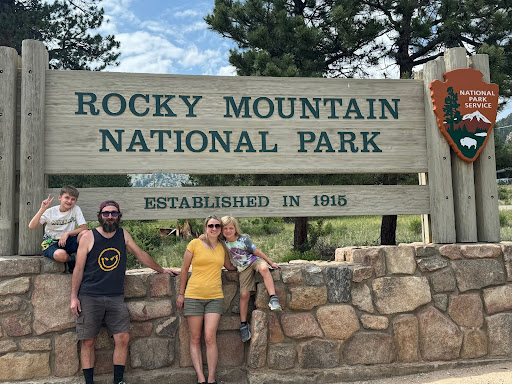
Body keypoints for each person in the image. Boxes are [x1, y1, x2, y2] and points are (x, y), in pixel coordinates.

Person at [70, 200, 178, 384]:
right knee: (88, 341)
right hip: (89, 295)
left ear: (119, 215)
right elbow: (78, 269)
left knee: (122, 337)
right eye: (106, 213)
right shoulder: (89, 236)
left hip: (115, 296)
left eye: (113, 213)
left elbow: (140, 254)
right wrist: (74, 297)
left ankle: (118, 381)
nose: (110, 216)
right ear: (100, 215)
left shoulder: (123, 234)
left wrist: (161, 270)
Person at [176, 215, 236, 384]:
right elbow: (184, 269)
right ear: (205, 228)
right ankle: (201, 378)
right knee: (195, 338)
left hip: (214, 297)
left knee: (210, 337)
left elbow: (229, 266)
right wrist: (181, 294)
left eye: (217, 225)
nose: (214, 228)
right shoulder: (194, 244)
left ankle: (211, 379)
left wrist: (248, 265)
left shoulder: (222, 247)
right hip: (193, 295)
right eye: (211, 225)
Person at [219, 216, 281, 342]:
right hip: (242, 268)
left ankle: (273, 298)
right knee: (244, 294)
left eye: (231, 228)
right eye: (225, 228)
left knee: (264, 269)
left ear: (235, 229)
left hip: (253, 260)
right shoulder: (223, 243)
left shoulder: (243, 239)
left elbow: (257, 252)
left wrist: (270, 262)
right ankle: (243, 324)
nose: (228, 231)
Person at [28, 185, 87, 272]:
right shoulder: (50, 212)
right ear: (60, 198)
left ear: (75, 201)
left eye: (73, 199)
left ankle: (87, 261)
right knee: (60, 255)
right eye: (67, 198)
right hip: (51, 243)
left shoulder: (75, 209)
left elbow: (84, 228)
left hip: (68, 240)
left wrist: (67, 233)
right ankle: (71, 259)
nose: (69, 201)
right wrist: (42, 209)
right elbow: (32, 226)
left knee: (85, 234)